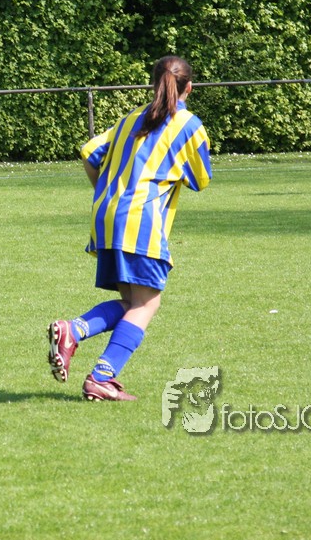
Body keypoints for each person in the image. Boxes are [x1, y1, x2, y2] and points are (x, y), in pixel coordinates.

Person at [47, 55, 212, 401]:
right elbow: (201, 180)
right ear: (190, 88)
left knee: (131, 302)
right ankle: (96, 369)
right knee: (148, 304)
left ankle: (77, 336)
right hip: (140, 221)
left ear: (153, 84)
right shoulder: (189, 125)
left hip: (106, 217)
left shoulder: (129, 119)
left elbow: (90, 152)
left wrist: (109, 191)